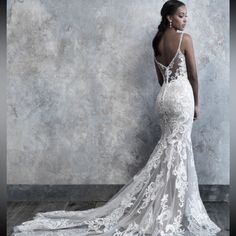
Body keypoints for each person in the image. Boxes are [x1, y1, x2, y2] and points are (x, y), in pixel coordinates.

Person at [12, 0, 222, 235]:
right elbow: (193, 75)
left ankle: (165, 204)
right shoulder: (186, 39)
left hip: (164, 99)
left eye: (186, 16)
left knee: (169, 150)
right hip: (181, 97)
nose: (186, 20)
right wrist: (196, 103)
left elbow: (161, 80)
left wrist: (173, 92)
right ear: (169, 18)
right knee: (178, 150)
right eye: (182, 16)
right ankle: (169, 209)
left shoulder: (157, 42)